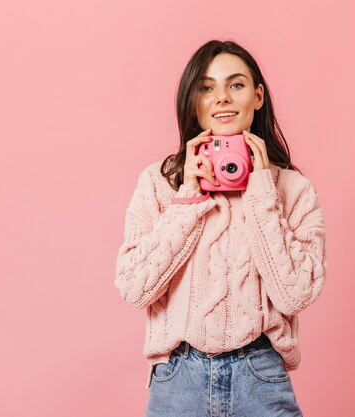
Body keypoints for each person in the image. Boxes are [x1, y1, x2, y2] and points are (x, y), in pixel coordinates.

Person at [114, 39, 327, 417]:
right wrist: (187, 199)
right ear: (192, 101)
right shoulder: (159, 183)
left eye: (236, 85)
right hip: (178, 380)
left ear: (257, 96)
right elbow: (133, 288)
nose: (222, 98)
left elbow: (295, 296)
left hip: (260, 377)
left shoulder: (293, 189)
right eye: (207, 88)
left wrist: (262, 190)